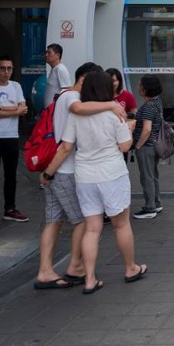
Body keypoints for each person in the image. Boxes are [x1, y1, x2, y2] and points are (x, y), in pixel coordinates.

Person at [45, 69, 146, 294]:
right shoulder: (115, 113)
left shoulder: (77, 115)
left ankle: (89, 278)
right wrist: (129, 128)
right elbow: (125, 146)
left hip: (85, 176)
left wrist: (49, 172)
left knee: (92, 228)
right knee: (121, 223)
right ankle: (130, 268)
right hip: (112, 174)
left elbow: (67, 146)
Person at [34, 62, 126, 289]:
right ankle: (75, 266)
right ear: (84, 80)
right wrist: (111, 106)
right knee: (85, 221)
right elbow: (77, 114)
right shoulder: (70, 98)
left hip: (57, 170)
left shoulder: (67, 97)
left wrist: (48, 173)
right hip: (65, 170)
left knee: (53, 221)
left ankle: (45, 270)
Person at [0, 55, 29, 226]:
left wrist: (0, 108)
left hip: (11, 136)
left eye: (9, 68)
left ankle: (10, 208)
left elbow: (24, 108)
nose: (6, 72)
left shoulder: (16, 86)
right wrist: (14, 110)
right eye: (2, 68)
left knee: (11, 175)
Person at [131, 75, 164, 219]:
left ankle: (150, 207)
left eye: (140, 85)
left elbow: (147, 129)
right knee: (153, 175)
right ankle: (156, 203)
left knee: (147, 177)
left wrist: (138, 145)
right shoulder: (156, 102)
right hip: (154, 144)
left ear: (146, 88)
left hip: (146, 146)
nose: (139, 88)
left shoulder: (148, 106)